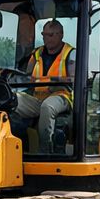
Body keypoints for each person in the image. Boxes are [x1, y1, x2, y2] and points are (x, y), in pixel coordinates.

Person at [15, 19, 75, 153]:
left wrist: (53, 80)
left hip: (61, 97)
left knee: (47, 107)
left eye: (51, 35)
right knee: (12, 100)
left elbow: (74, 79)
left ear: (61, 35)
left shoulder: (70, 54)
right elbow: (27, 76)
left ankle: (45, 151)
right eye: (44, 35)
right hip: (37, 98)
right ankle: (19, 147)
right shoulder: (36, 54)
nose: (46, 38)